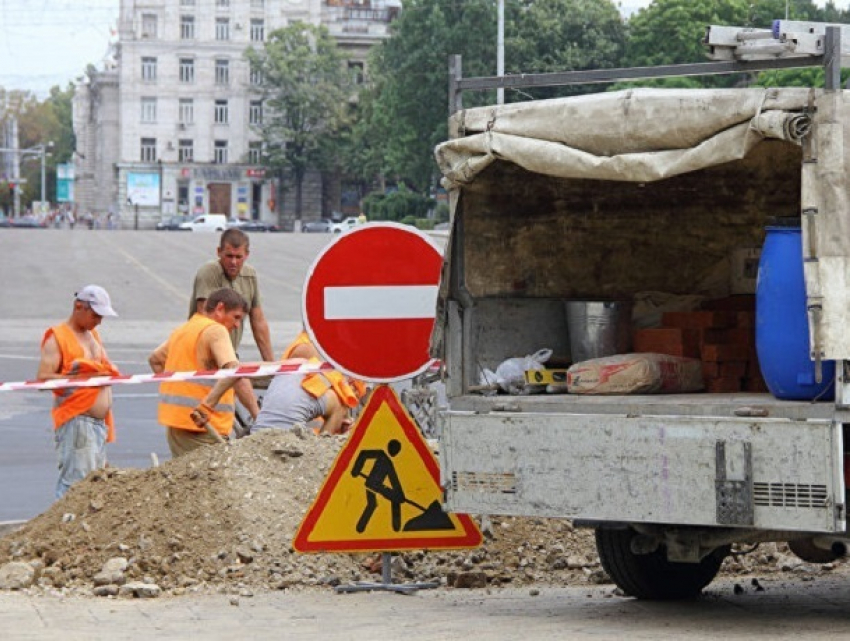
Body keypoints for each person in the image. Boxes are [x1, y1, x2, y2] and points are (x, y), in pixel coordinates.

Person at [149, 288, 260, 457]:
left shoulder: (185, 330)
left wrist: (177, 390)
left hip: (176, 426)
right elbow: (234, 370)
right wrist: (207, 405)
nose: (237, 325)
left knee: (187, 480)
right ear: (220, 309)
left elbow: (155, 360)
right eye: (236, 317)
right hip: (204, 428)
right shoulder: (216, 330)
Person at [36, 285, 120, 498]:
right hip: (77, 422)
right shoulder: (58, 337)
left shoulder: (93, 335)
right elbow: (44, 379)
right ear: (78, 306)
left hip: (97, 425)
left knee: (93, 485)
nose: (99, 321)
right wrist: (85, 379)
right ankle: (65, 527)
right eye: (96, 315)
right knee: (75, 488)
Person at [194, 355, 364, 436]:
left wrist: (206, 405)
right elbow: (322, 451)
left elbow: (240, 369)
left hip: (256, 437)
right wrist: (340, 434)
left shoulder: (299, 364)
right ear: (351, 388)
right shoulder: (340, 402)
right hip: (287, 448)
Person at [189, 229, 274, 361]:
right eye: (229, 256)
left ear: (246, 255)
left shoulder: (250, 275)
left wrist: (272, 365)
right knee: (242, 381)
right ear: (219, 252)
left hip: (229, 356)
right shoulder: (209, 272)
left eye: (238, 257)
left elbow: (258, 322)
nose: (233, 262)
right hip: (206, 357)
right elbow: (204, 320)